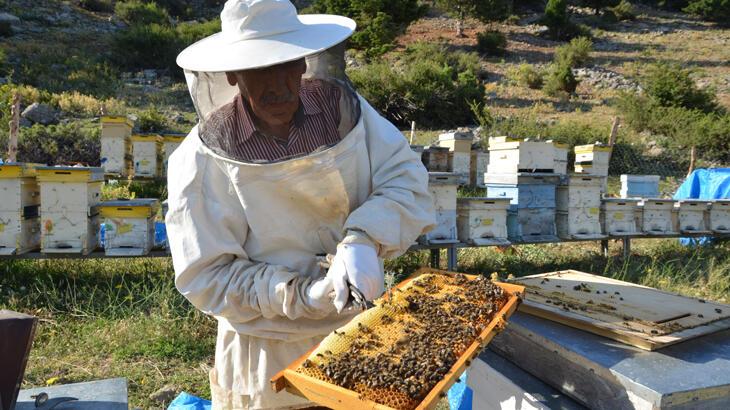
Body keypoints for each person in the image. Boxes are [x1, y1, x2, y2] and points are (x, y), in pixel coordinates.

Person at [166, 0, 436, 408]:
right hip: (266, 349)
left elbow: (406, 180)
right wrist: (302, 296)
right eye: (258, 70)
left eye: (284, 65)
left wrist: (365, 237)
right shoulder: (198, 160)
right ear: (233, 75)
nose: (276, 86)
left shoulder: (346, 112)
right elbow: (208, 276)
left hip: (362, 328)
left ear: (303, 64)